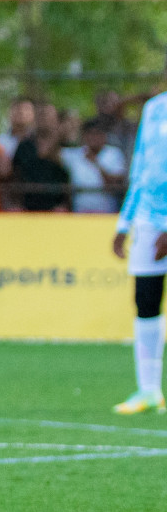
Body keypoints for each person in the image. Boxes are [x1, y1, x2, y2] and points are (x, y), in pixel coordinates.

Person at [110, 67, 167, 414]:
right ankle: (149, 390)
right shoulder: (154, 108)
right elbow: (141, 168)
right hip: (147, 219)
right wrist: (124, 222)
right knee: (145, 300)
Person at [62, 119, 127, 215]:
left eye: (97, 134)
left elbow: (117, 183)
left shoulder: (114, 153)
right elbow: (47, 153)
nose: (93, 137)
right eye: (89, 134)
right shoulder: (75, 154)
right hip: (79, 216)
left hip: (106, 216)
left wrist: (96, 164)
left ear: (104, 136)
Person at [11, 123, 70, 212]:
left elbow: (66, 193)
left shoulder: (61, 165)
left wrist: (62, 206)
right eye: (40, 139)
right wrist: (18, 205)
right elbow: (16, 183)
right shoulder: (27, 161)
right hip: (27, 209)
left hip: (54, 210)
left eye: (46, 140)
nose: (42, 143)